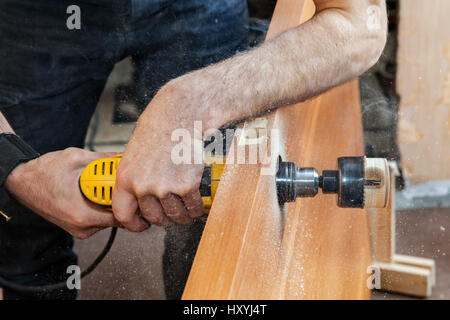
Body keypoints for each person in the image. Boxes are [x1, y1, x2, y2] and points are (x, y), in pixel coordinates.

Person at [0, 0, 387, 300]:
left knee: (212, 238)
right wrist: (17, 168)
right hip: (36, 13)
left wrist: (192, 102)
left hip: (199, 7)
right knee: (23, 229)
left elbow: (360, 26)